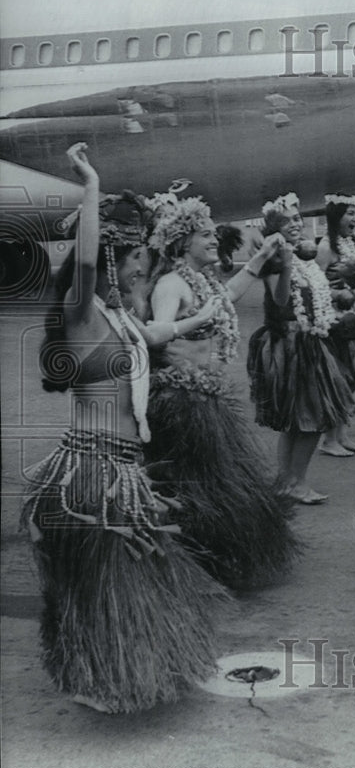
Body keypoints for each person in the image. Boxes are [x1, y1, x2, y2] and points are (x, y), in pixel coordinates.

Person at [21, 143, 224, 713]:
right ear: (113, 256)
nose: (145, 265)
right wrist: (91, 187)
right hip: (91, 472)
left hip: (123, 470)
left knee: (123, 580)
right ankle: (101, 675)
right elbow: (84, 263)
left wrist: (210, 312)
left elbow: (159, 336)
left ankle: (113, 669)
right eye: (136, 255)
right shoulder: (81, 312)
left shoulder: (120, 321)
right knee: (101, 582)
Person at [145, 192, 301, 590]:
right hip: (183, 402)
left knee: (217, 483)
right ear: (183, 243)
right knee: (195, 485)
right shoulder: (170, 285)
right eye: (205, 236)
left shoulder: (199, 280)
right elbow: (156, 334)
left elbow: (226, 296)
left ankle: (213, 558)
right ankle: (191, 564)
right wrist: (194, 320)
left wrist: (262, 256)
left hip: (205, 396)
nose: (215, 241)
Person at [247, 193, 355, 503]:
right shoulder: (275, 257)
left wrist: (337, 297)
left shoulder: (301, 254)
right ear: (274, 227)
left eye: (297, 218)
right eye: (287, 220)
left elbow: (313, 295)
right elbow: (280, 300)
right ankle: (293, 482)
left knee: (301, 420)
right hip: (290, 343)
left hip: (310, 338)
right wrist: (285, 267)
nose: (296, 223)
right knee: (310, 418)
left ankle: (289, 481)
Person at [315, 194, 355, 456]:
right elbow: (314, 285)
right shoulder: (327, 247)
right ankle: (328, 439)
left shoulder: (354, 243)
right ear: (335, 216)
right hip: (334, 321)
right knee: (338, 379)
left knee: (351, 378)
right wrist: (340, 295)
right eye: (349, 213)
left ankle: (342, 435)